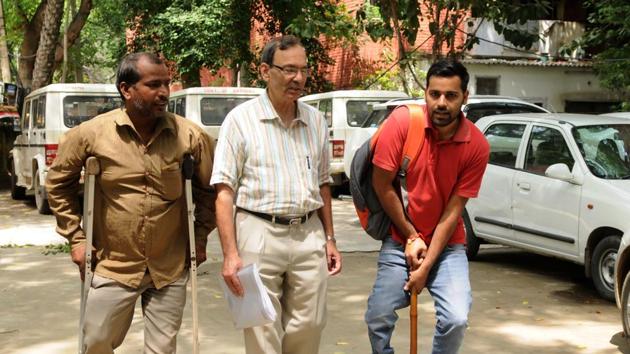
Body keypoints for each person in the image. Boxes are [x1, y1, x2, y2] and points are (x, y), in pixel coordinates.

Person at [46, 52, 216, 354]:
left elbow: (211, 190)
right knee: (96, 341)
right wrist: (76, 238)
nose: (164, 92)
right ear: (126, 89)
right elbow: (58, 184)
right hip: (113, 264)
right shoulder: (90, 134)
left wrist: (199, 238)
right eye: (154, 85)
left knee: (162, 349)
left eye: (167, 83)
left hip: (170, 265)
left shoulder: (190, 136)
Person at [211, 35, 342, 354]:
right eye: (288, 70)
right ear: (265, 70)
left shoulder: (315, 121)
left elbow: (323, 183)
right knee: (261, 326)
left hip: (308, 232)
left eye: (303, 70)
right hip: (258, 231)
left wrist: (329, 238)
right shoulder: (240, 121)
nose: (298, 78)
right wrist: (230, 253)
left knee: (310, 323)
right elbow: (224, 191)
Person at [364, 59, 490, 354]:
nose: (442, 103)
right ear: (426, 94)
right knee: (377, 316)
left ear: (465, 97)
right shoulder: (403, 123)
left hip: (447, 246)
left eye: (451, 95)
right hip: (399, 240)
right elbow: (382, 185)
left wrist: (426, 265)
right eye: (435, 94)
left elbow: (453, 211)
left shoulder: (477, 146)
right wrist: (410, 236)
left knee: (456, 319)